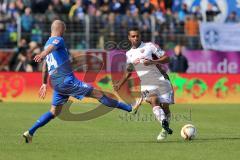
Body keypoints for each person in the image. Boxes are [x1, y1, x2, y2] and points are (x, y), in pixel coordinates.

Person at [23, 20, 138, 143]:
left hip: (56, 83)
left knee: (53, 112)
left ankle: (30, 132)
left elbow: (45, 65)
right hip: (66, 80)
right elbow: (50, 49)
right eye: (64, 30)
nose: (64, 32)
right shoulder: (57, 40)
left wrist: (44, 83)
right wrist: (43, 53)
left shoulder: (46, 43)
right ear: (61, 29)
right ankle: (130, 108)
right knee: (99, 94)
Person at [113, 27, 174, 141]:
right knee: (153, 100)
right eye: (133, 36)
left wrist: (153, 61)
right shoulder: (129, 54)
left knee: (165, 107)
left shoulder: (150, 46)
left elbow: (167, 58)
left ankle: (164, 129)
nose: (136, 38)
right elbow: (128, 71)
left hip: (161, 78)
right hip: (147, 82)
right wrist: (120, 84)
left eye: (137, 36)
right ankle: (163, 123)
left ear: (140, 36)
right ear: (129, 38)